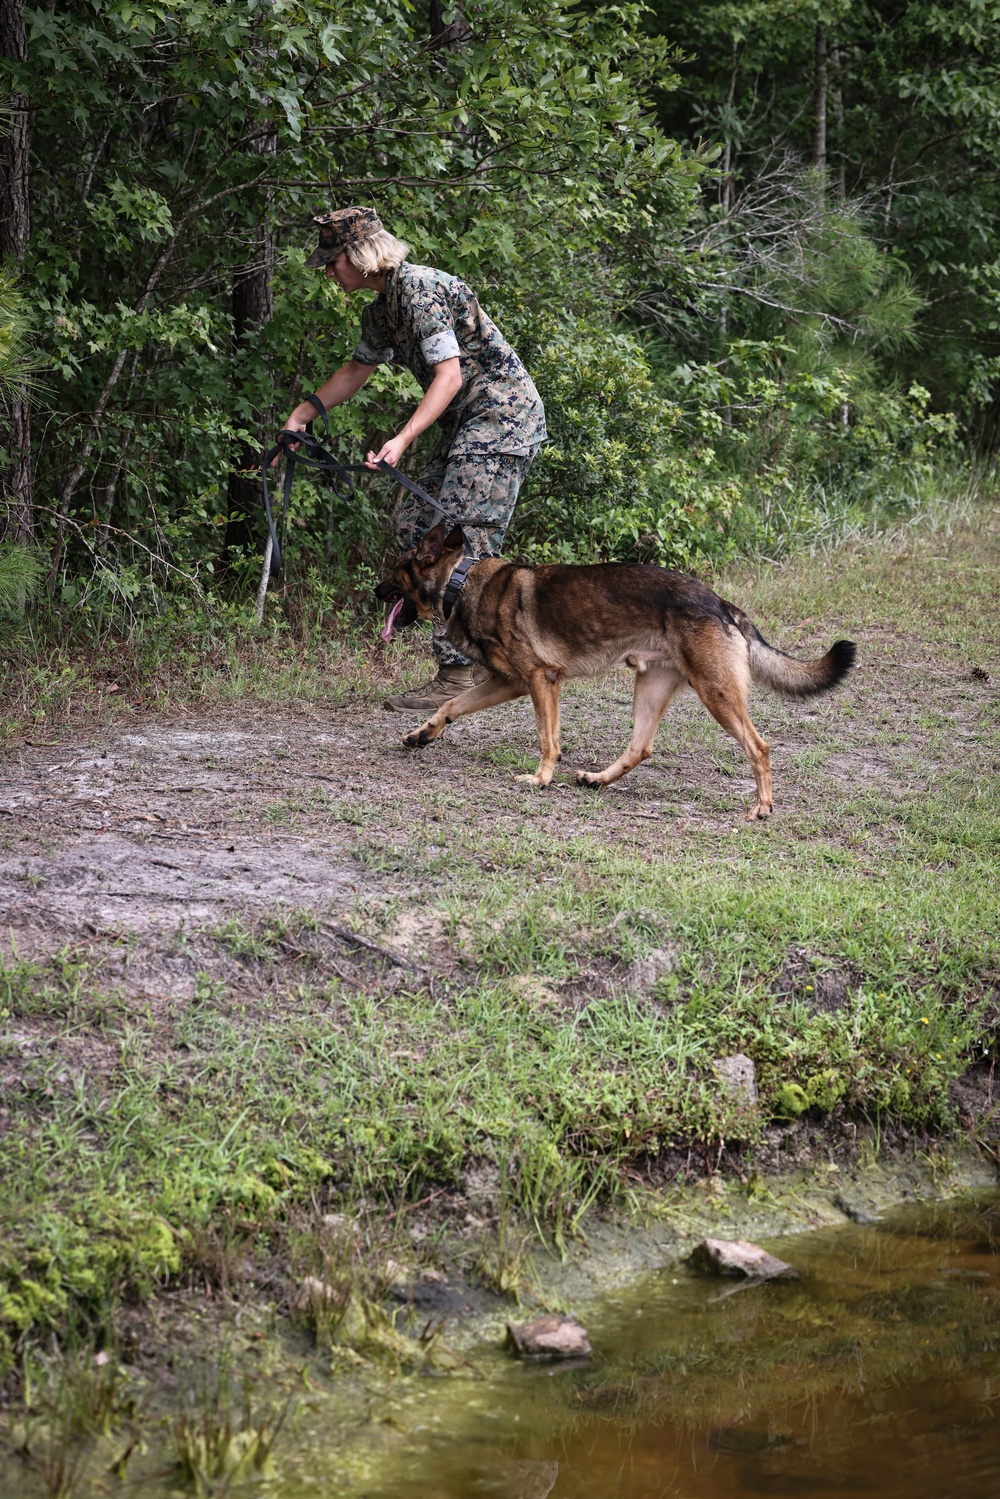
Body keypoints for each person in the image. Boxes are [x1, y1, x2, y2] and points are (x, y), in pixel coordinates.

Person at [281, 206, 546, 712]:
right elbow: (357, 369)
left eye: (332, 262)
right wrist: (301, 415)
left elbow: (448, 376)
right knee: (415, 525)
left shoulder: (420, 291)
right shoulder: (380, 309)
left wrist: (400, 440)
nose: (329, 272)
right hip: (465, 426)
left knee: (463, 537)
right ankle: (469, 657)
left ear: (358, 257)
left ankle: (460, 671)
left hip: (501, 417)